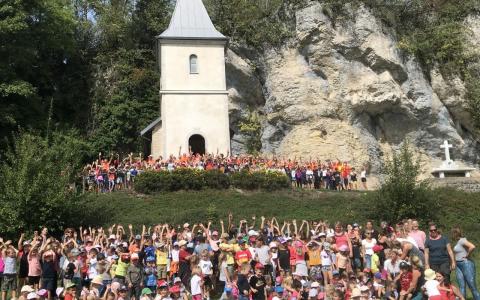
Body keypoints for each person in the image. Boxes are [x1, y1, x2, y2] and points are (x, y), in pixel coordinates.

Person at [451, 227, 480, 300]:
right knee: (461, 286)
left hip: (466, 264)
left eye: (452, 233)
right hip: (458, 265)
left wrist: (467, 255)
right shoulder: (458, 242)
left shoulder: (462, 240)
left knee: (472, 286)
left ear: (455, 233)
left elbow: (472, 246)